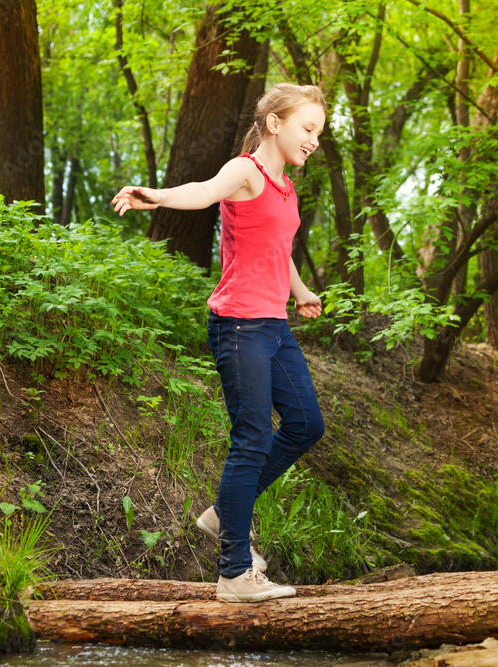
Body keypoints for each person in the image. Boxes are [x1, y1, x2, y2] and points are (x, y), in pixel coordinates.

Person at [112, 83, 328, 603]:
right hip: (239, 328)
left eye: (319, 133)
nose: (314, 141)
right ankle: (234, 574)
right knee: (252, 440)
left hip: (274, 326)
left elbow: (281, 248)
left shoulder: (285, 189)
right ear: (275, 123)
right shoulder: (246, 171)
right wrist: (158, 196)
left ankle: (224, 511)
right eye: (307, 129)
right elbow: (205, 192)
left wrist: (299, 293)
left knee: (305, 425)